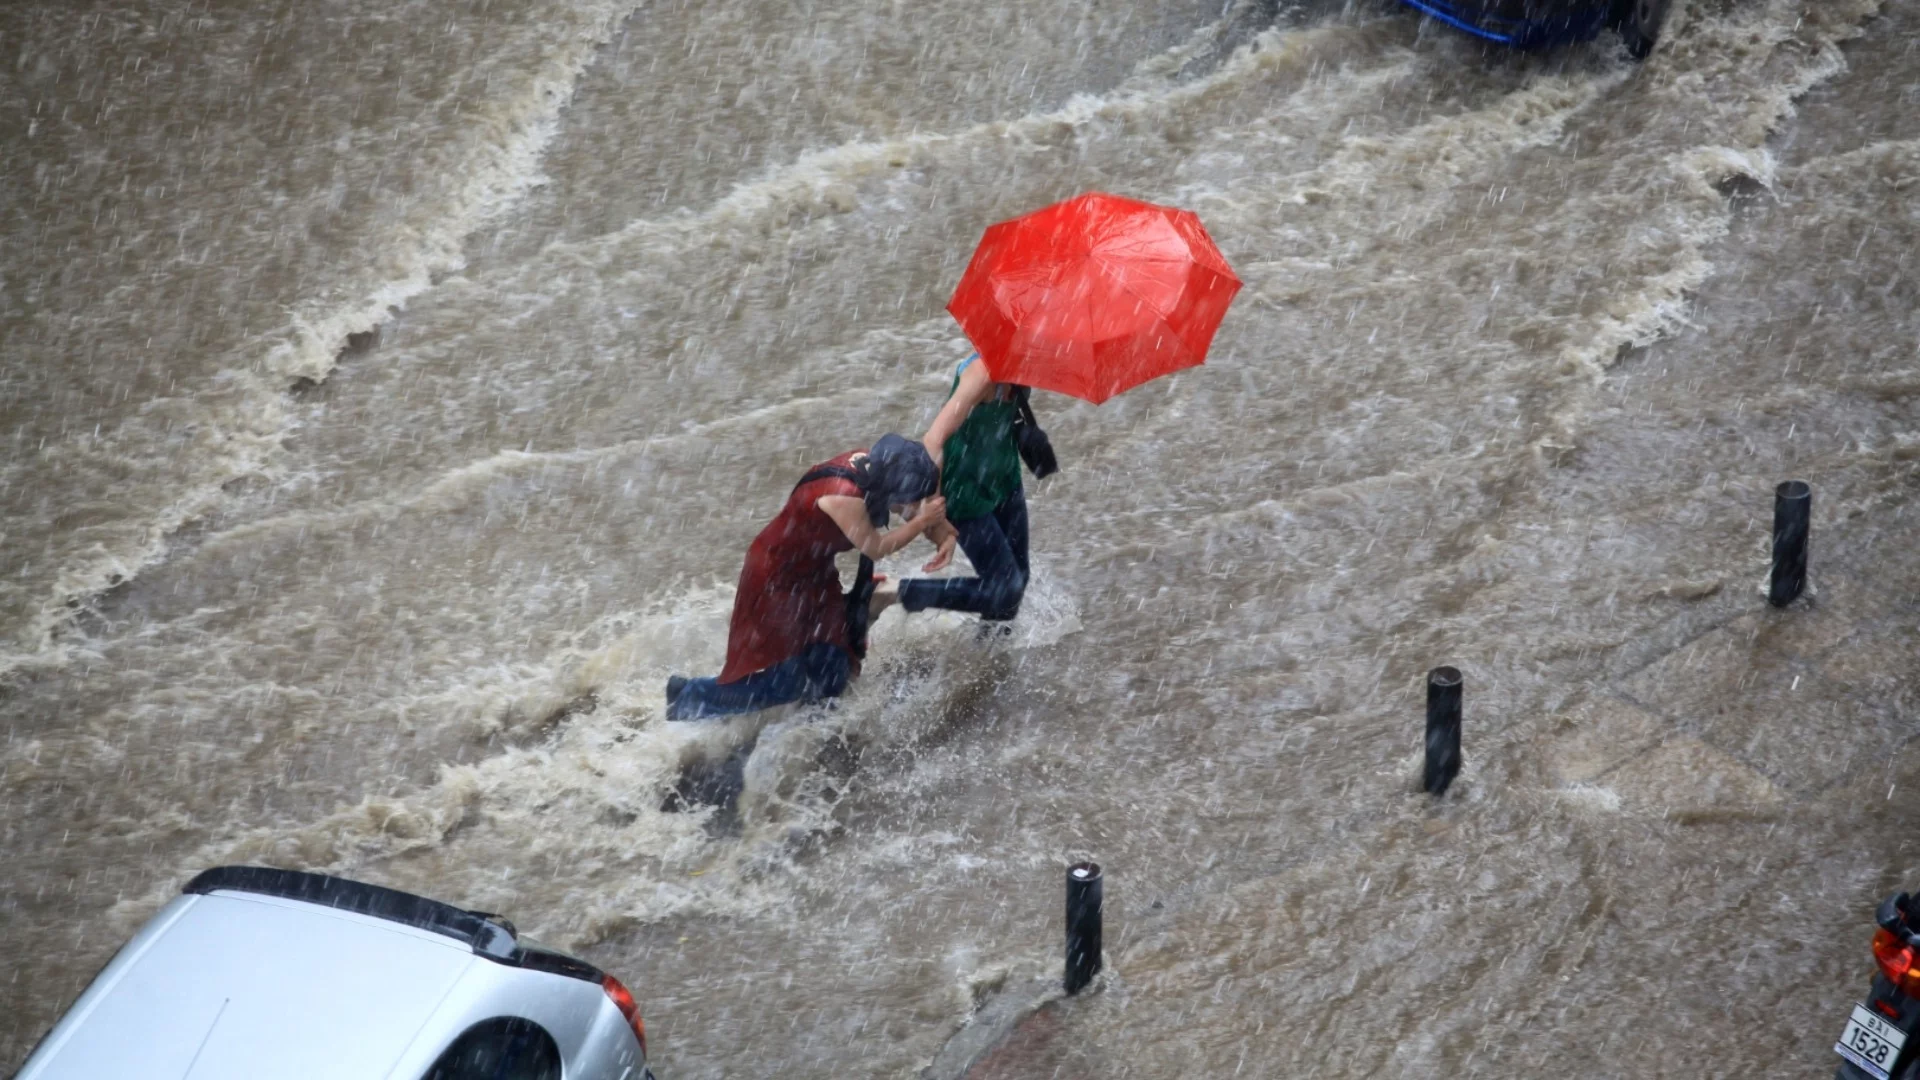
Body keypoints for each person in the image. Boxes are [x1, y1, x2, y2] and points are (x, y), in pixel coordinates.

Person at [666, 434, 945, 721]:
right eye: (911, 501)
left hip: (813, 571)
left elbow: (911, 510)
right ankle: (689, 696)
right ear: (892, 490)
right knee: (785, 682)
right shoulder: (843, 494)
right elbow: (876, 546)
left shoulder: (876, 466)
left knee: (834, 661)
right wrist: (924, 522)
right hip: (776, 579)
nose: (912, 508)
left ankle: (809, 734)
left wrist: (943, 532)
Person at [894, 353, 1031, 623]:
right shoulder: (980, 375)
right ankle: (897, 592)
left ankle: (989, 658)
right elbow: (933, 441)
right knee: (1006, 589)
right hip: (964, 492)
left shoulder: (1026, 364)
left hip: (1005, 480)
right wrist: (936, 515)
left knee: (1017, 581)